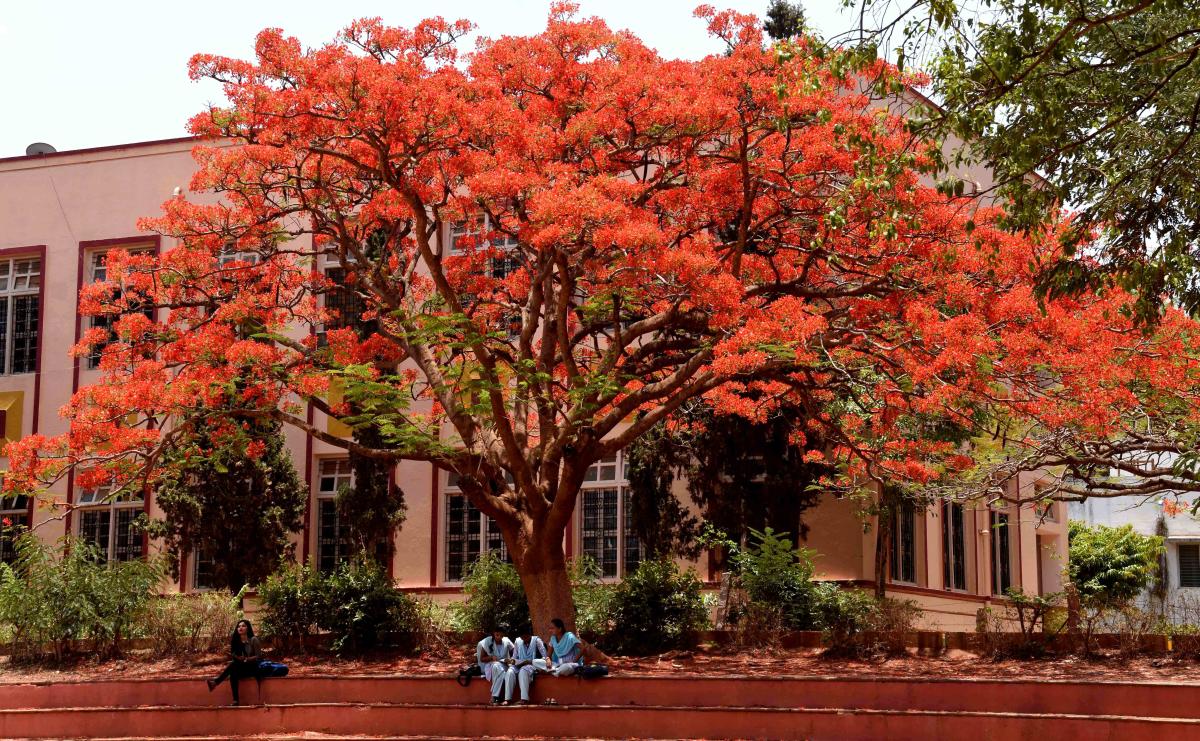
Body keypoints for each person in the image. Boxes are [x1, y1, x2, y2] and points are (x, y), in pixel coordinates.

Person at [207, 619, 262, 706]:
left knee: (233, 666)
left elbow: (259, 656)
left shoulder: (253, 640)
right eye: (239, 626)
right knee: (233, 672)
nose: (240, 628)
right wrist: (238, 658)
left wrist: (247, 659)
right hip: (241, 667)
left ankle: (216, 682)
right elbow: (235, 657)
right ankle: (235, 701)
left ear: (248, 628)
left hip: (253, 667)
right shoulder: (236, 641)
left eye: (243, 626)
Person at [476, 626, 515, 705]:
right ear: (494, 634)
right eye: (497, 635)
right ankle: (496, 697)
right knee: (497, 667)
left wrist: (511, 660)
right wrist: (491, 657)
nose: (499, 637)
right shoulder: (487, 642)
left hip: (505, 665)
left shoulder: (506, 641)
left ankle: (494, 697)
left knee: (499, 668)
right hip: (491, 665)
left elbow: (515, 652)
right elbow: (482, 659)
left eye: (501, 636)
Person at [509, 627, 548, 705]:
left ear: (530, 635)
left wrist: (531, 662)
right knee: (510, 670)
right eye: (522, 638)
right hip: (519, 665)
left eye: (526, 637)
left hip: (532, 665)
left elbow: (545, 657)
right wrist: (511, 661)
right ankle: (507, 698)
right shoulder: (518, 641)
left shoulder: (537, 640)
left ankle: (524, 699)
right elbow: (514, 657)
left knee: (523, 670)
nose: (524, 639)